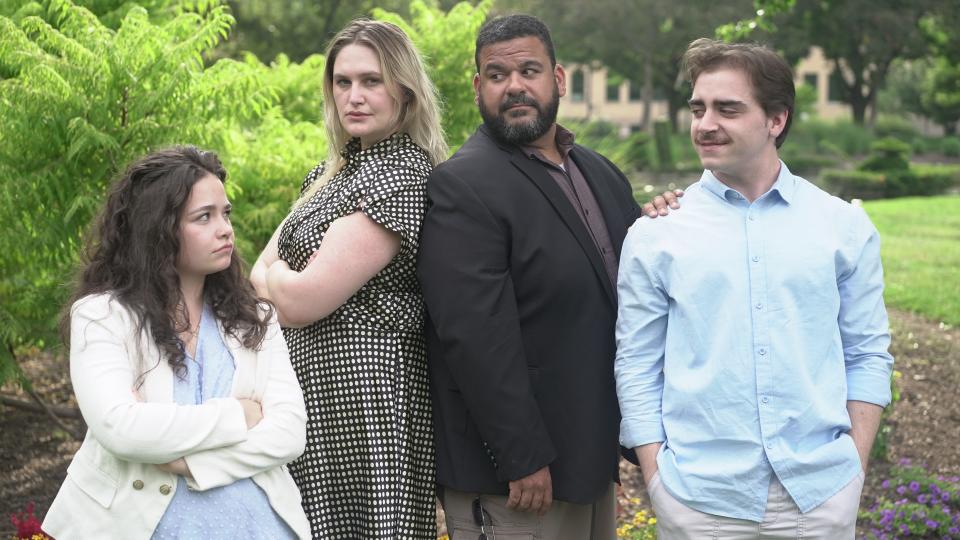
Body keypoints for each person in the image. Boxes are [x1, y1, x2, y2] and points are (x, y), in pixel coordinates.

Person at [615, 38, 895, 539]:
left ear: (776, 120)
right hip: (698, 502)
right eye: (698, 108)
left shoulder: (842, 226)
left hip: (820, 496)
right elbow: (637, 363)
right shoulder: (657, 233)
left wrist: (855, 462)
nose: (705, 124)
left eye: (728, 109)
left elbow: (867, 351)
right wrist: (656, 476)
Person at [417, 14, 679, 539]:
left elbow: (628, 295)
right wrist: (522, 456)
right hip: (515, 481)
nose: (514, 86)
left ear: (558, 80)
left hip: (587, 463)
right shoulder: (463, 185)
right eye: (497, 75)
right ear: (478, 88)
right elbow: (474, 336)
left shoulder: (598, 172)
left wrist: (666, 225)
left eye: (529, 71)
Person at [43, 147, 311, 540]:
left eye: (226, 213)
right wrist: (239, 416)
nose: (225, 229)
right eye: (204, 217)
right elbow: (121, 428)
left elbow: (289, 434)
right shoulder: (102, 316)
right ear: (160, 227)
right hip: (137, 524)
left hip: (257, 525)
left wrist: (191, 463)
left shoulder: (255, 318)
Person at [250, 19, 448, 538]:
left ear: (404, 90)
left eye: (371, 81)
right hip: (307, 392)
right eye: (343, 82)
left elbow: (302, 301)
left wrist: (282, 278)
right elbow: (254, 273)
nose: (354, 96)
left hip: (368, 399)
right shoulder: (327, 174)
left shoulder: (404, 174)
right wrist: (283, 280)